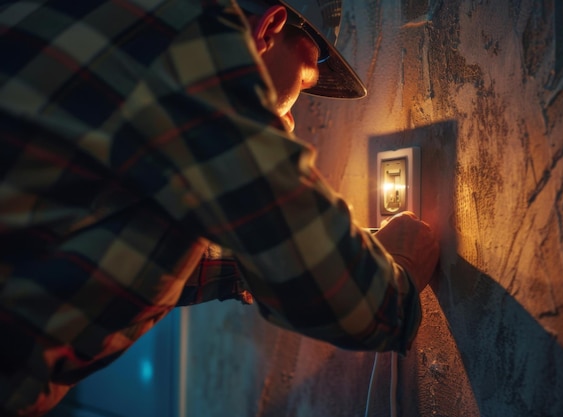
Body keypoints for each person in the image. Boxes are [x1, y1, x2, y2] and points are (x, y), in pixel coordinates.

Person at [0, 0, 440, 415]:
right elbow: (357, 305)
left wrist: (260, 255)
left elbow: (107, 243)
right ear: (268, 27)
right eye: (304, 82)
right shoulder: (194, 32)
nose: (294, 117)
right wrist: (398, 270)